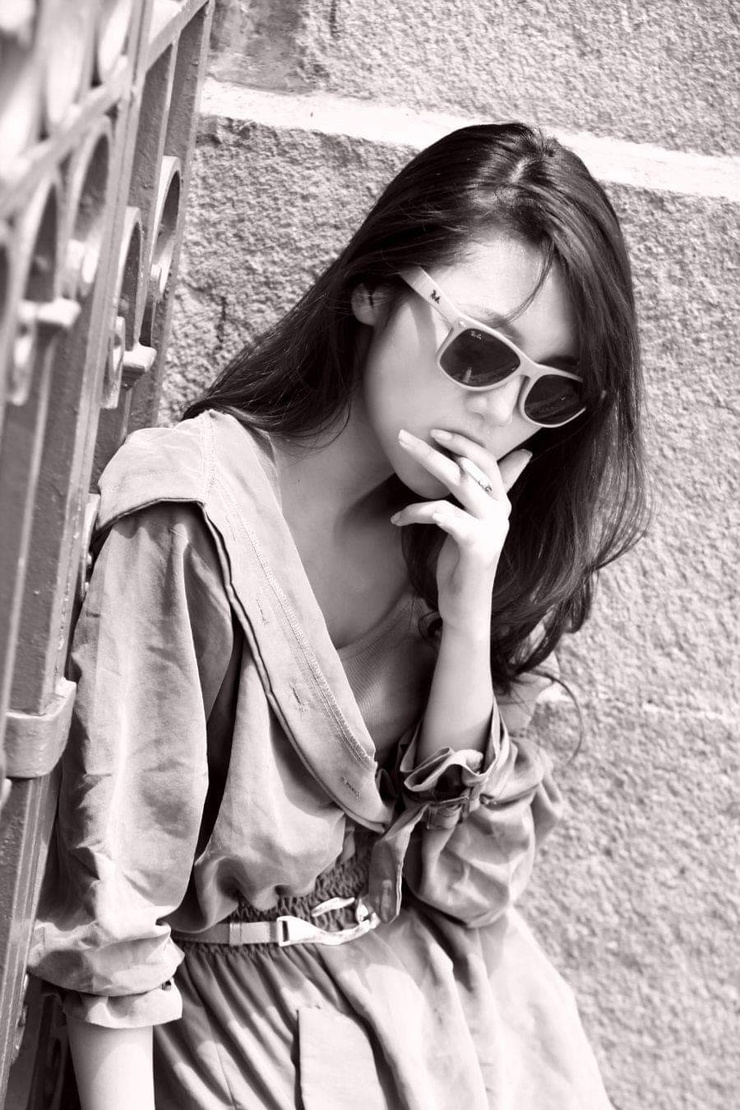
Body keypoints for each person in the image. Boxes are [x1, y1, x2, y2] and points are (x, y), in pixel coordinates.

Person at [29, 122, 647, 1109]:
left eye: (551, 391)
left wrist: (466, 614)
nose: (499, 415)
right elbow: (115, 911)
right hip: (241, 1031)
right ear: (372, 290)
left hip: (463, 1020)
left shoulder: (478, 545)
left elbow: (472, 885)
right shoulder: (193, 517)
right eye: (479, 352)